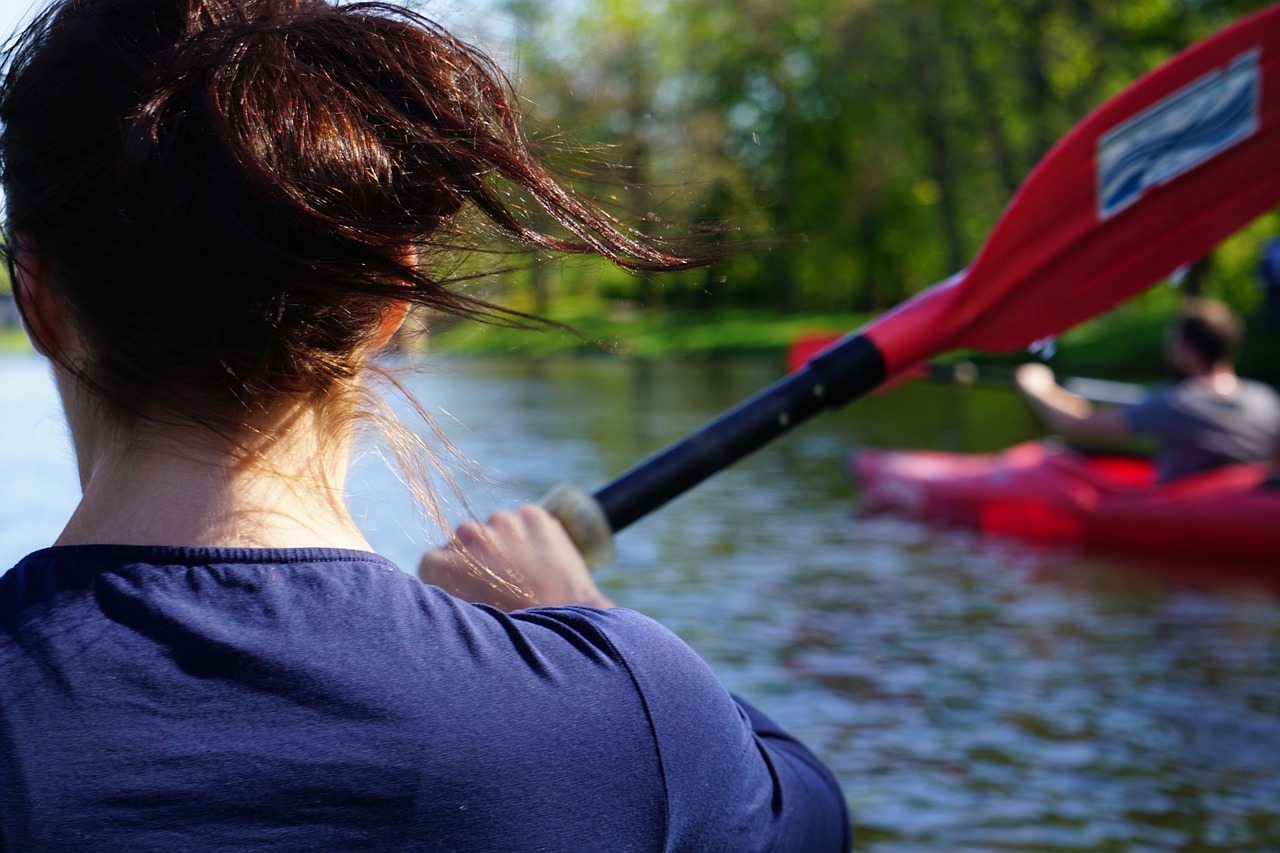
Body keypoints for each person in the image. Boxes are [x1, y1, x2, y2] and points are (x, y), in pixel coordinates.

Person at [0, 0, 851, 848]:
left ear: (35, 295)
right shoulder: (625, 717)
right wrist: (583, 617)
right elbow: (814, 818)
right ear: (387, 297)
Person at [1015, 298, 1280, 482]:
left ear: (1186, 351)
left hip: (1194, 515)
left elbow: (1076, 423)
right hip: (1246, 506)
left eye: (1173, 344)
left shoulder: (1176, 403)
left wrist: (1037, 384)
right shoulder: (1266, 400)